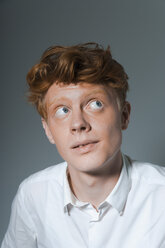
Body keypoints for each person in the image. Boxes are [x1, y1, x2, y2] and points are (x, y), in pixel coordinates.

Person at [1, 43, 165, 248]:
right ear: (48, 130)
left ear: (124, 115)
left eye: (95, 104)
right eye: (62, 110)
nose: (78, 124)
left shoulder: (161, 195)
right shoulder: (32, 195)